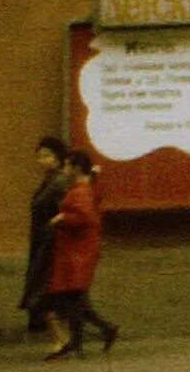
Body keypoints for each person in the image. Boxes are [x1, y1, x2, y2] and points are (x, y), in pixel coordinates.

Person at [38, 149, 119, 360]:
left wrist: (61, 218)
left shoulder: (80, 191)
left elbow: (84, 218)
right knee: (74, 297)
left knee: (72, 297)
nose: (64, 169)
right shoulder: (84, 188)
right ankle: (92, 335)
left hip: (77, 251)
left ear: (75, 168)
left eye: (67, 165)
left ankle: (88, 336)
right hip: (76, 250)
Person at [21, 136, 69, 335]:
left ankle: (60, 338)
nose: (41, 160)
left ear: (58, 157)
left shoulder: (59, 182)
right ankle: (61, 338)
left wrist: (54, 224)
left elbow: (67, 210)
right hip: (42, 241)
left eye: (46, 155)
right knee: (45, 290)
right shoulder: (49, 180)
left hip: (51, 244)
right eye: (39, 156)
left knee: (46, 291)